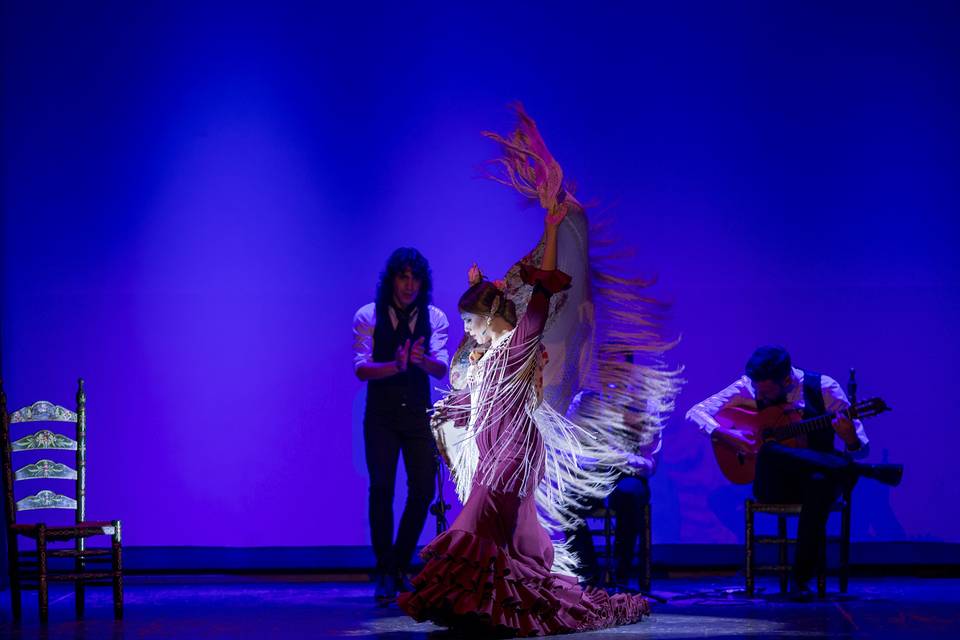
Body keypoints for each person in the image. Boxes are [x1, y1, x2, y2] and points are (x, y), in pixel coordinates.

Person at [686, 345, 902, 598]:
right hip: (773, 483)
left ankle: (799, 581)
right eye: (757, 389)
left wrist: (849, 438)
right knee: (769, 451)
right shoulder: (748, 386)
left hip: (814, 482)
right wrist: (728, 435)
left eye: (765, 391)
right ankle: (856, 470)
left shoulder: (824, 388)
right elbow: (696, 412)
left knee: (819, 484)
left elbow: (860, 447)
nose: (759, 395)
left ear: (786, 380)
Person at [352, 248, 450, 604]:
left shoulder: (434, 317)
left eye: (415, 278)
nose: (409, 285)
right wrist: (395, 365)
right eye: (402, 277)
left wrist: (420, 362)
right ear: (392, 279)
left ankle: (396, 564)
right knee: (381, 489)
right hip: (381, 416)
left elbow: (441, 368)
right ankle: (385, 571)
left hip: (418, 415)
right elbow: (361, 368)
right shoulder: (368, 315)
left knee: (423, 490)